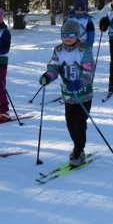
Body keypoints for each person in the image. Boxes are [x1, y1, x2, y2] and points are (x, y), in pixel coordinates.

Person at [39, 20, 95, 167]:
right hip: (68, 96)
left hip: (83, 95)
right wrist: (48, 76)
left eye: (71, 35)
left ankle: (79, 151)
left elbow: (89, 72)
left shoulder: (84, 50)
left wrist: (78, 83)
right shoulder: (58, 50)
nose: (67, 38)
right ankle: (77, 146)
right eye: (64, 35)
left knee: (79, 124)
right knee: (70, 123)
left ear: (77, 35)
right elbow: (54, 67)